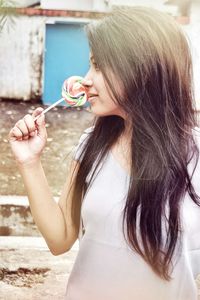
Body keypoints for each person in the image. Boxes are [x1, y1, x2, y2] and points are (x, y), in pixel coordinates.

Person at [9, 6, 200, 300]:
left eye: (98, 66)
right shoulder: (91, 146)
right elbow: (60, 238)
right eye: (90, 65)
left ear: (141, 68)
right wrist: (30, 162)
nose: (86, 79)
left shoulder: (196, 155)